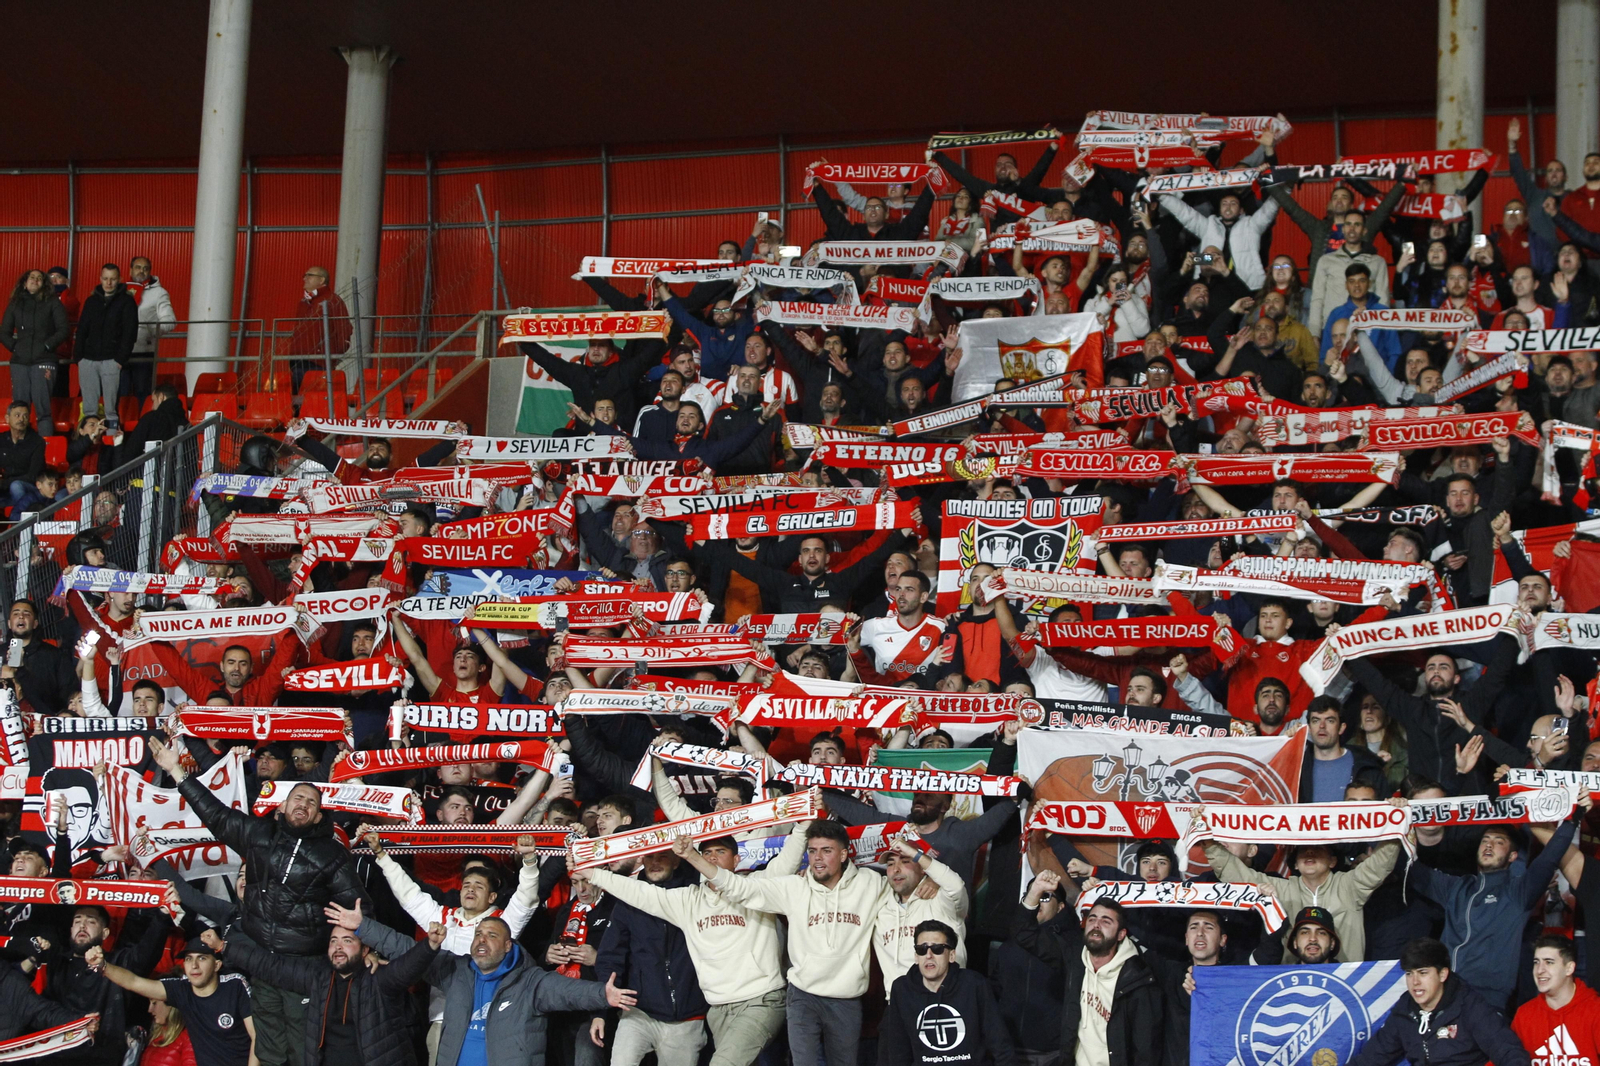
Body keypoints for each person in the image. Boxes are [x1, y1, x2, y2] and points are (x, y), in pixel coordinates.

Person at [148, 735, 366, 1066]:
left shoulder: (332, 856)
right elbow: (216, 815)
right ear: (281, 806)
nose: (303, 805)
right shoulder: (259, 834)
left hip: (303, 967)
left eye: (311, 803)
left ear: (320, 816)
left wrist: (370, 948)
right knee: (268, 1051)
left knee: (306, 1051)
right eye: (297, 798)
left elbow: (360, 907)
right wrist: (176, 771)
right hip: (261, 963)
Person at [579, 831, 801, 1066]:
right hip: (712, 1007)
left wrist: (803, 826)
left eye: (721, 851)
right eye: (707, 853)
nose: (713, 858)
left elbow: (788, 860)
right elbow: (638, 894)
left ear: (737, 860)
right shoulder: (688, 899)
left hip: (753, 1001)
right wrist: (592, 873)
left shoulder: (756, 886)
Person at [701, 819, 889, 1066]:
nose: (817, 858)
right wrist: (695, 859)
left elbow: (907, 887)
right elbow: (742, 889)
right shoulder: (794, 886)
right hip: (803, 996)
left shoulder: (871, 883)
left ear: (843, 854)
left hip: (846, 998)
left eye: (826, 850)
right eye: (812, 851)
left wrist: (928, 880)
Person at [200, 923, 441, 1066]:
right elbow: (272, 967)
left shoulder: (379, 979)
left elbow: (407, 968)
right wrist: (224, 947)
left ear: (365, 948)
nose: (338, 946)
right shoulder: (319, 978)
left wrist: (429, 946)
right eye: (334, 940)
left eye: (347, 940)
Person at [1408, 812, 1580, 1011]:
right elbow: (1413, 871)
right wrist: (1393, 820)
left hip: (1487, 999)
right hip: (1445, 992)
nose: (1489, 845)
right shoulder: (1458, 887)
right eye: (1485, 840)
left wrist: (1572, 820)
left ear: (1513, 855)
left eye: (1499, 842)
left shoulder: (1517, 892)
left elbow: (1549, 858)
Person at [427, 915, 639, 1066]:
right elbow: (403, 948)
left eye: (491, 935)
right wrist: (426, 947)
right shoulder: (456, 971)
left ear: (508, 945)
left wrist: (604, 994)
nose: (482, 939)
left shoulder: (528, 981)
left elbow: (568, 991)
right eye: (478, 934)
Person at [1011, 876, 1163, 1066]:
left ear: (1121, 934)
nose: (1097, 925)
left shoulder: (1138, 978)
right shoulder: (1074, 957)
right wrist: (1036, 890)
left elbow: (1146, 1050)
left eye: (1106, 921)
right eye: (1092, 918)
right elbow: (1024, 933)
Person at [1349, 937, 1531, 1066]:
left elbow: (1509, 1051)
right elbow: (1371, 1059)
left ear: (1443, 974)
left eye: (1423, 973)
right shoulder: (1404, 1011)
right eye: (1409, 974)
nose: (1415, 982)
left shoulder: (1469, 1005)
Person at [87, 936, 255, 1066]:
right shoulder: (181, 989)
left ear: (217, 965)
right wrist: (103, 966)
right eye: (189, 959)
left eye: (202, 958)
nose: (194, 965)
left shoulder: (234, 985)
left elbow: (258, 1038)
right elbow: (133, 982)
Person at [880, 920, 1014, 1066]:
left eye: (937, 949)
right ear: (916, 957)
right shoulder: (902, 989)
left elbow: (1001, 1046)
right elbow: (897, 1053)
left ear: (951, 955)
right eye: (922, 949)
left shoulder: (974, 984)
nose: (929, 955)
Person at [1511, 935, 1600, 1066]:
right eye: (1536, 962)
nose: (1539, 970)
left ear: (1569, 968)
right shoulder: (1525, 1014)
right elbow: (1505, 1057)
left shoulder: (1595, 1010)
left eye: (1549, 962)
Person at [0, 269, 69, 434]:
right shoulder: (16, 303)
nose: (35, 280)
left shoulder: (52, 302)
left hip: (44, 360)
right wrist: (15, 347)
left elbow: (64, 329)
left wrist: (46, 346)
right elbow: (4, 332)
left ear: (44, 283)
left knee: (43, 409)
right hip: (20, 362)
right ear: (25, 282)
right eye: (32, 277)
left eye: (39, 278)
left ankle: (45, 452)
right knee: (19, 411)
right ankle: (20, 450)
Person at [73, 263, 138, 428]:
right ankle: (89, 443)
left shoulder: (127, 302)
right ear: (100, 279)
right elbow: (81, 330)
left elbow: (130, 333)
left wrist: (120, 359)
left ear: (120, 280)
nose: (109, 282)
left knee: (111, 410)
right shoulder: (91, 301)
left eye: (113, 279)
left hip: (111, 360)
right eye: (106, 278)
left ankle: (111, 443)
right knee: (89, 409)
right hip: (87, 360)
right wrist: (79, 356)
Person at [286, 267, 352, 391]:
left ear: (321, 280)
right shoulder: (304, 302)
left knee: (313, 399)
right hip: (299, 358)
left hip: (319, 360)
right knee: (298, 401)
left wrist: (332, 352)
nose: (305, 278)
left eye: (309, 275)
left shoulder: (332, 301)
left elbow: (343, 329)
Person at [125, 257, 175, 404]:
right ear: (130, 269)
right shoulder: (120, 290)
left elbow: (170, 320)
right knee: (120, 395)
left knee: (143, 395)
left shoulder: (159, 293)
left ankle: (142, 424)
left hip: (144, 352)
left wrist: (151, 330)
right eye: (138, 267)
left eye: (145, 268)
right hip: (120, 351)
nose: (141, 271)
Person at [0, 401, 45, 512]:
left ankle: (22, 525)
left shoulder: (37, 442)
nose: (21, 419)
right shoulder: (1, 440)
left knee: (16, 486)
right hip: (5, 488)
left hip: (28, 488)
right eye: (17, 415)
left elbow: (32, 476)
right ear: (7, 418)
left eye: (25, 416)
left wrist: (5, 483)